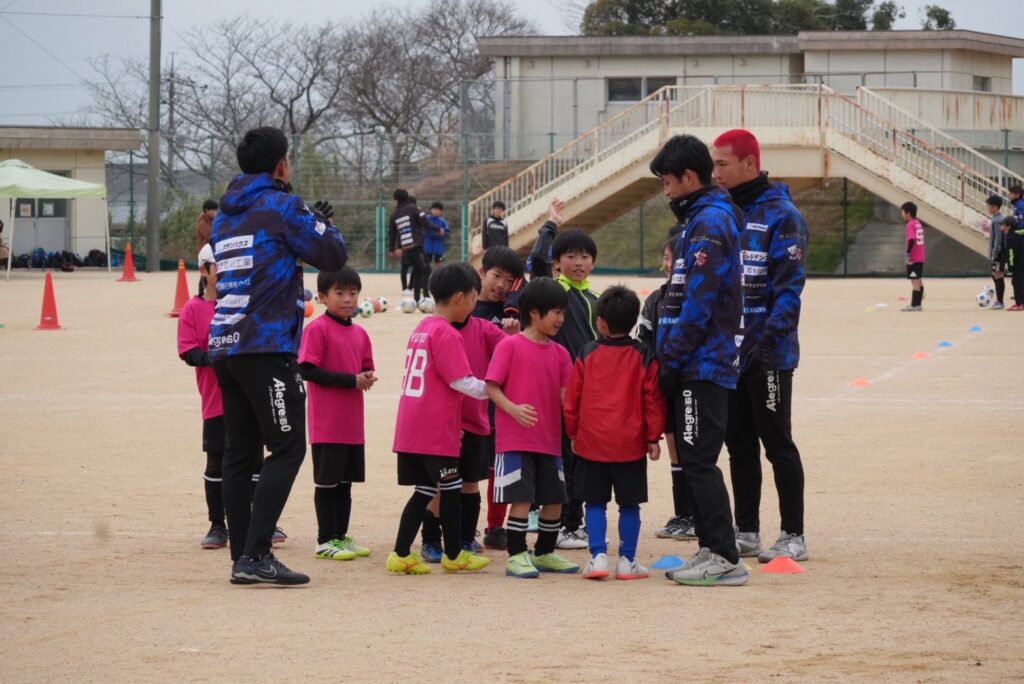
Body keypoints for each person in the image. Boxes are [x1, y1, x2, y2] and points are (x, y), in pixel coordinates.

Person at [210, 126, 347, 586]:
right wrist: (320, 220)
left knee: (239, 453)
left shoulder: (224, 215)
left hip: (226, 344)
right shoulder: (284, 205)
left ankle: (243, 558)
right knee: (288, 446)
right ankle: (256, 554)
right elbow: (333, 253)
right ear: (281, 164)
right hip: (265, 345)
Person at [650, 133, 749, 586]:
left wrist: (673, 359)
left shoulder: (711, 221)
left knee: (699, 460)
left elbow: (700, 300)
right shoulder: (701, 218)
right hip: (694, 360)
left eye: (668, 181)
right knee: (694, 459)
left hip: (702, 363)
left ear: (688, 177)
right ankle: (712, 548)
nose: (666, 190)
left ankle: (725, 556)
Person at [713, 128, 810, 564]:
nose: (715, 173)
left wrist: (765, 345)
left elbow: (790, 292)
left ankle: (793, 535)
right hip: (729, 354)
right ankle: (747, 530)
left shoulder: (783, 216)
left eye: (722, 164)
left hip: (769, 355)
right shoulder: (723, 213)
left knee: (777, 443)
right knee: (738, 445)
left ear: (750, 164)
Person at [388, 263, 492, 575]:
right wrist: (495, 388)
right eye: (473, 298)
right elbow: (462, 381)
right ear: (460, 297)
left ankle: (401, 553)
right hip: (434, 431)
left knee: (424, 490)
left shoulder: (422, 327)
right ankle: (455, 554)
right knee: (451, 488)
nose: (474, 305)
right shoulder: (447, 333)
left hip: (413, 428)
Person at [564, 285, 665, 580]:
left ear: (600, 322)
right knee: (629, 504)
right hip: (630, 444)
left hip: (592, 441)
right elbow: (652, 399)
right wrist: (653, 437)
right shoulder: (644, 355)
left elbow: (573, 399)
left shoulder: (587, 352)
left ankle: (598, 557)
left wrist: (573, 433)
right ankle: (627, 560)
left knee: (594, 502)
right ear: (633, 322)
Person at [419, 259, 517, 561]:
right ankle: (431, 539)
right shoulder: (436, 330)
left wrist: (514, 336)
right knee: (439, 484)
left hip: (474, 420)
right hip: (443, 424)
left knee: (470, 482)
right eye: (474, 298)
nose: (477, 303)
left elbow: (511, 350)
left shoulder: (484, 329)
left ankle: (464, 538)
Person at [486, 277, 580, 578]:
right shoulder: (509, 346)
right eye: (556, 312)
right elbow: (492, 387)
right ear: (535, 312)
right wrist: (513, 409)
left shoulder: (561, 354)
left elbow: (566, 398)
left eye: (563, 313)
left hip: (550, 441)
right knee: (522, 498)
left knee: (554, 499)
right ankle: (516, 555)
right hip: (515, 440)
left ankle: (544, 553)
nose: (561, 319)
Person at [298, 266, 377, 562]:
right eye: (340, 293)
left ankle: (341, 536)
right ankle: (324, 540)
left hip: (352, 424)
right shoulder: (317, 329)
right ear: (322, 297)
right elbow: (307, 369)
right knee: (327, 483)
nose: (347, 299)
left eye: (353, 293)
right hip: (327, 424)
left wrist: (367, 376)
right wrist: (350, 380)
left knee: (346, 484)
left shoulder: (360, 333)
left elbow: (365, 366)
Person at [639, 237, 695, 541]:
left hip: (692, 384)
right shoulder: (655, 300)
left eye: (674, 258)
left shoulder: (696, 297)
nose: (669, 264)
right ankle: (683, 514)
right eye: (666, 257)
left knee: (693, 449)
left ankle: (698, 514)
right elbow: (643, 342)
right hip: (665, 384)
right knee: (673, 448)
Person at [549, 227, 600, 550]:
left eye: (584, 256)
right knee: (564, 457)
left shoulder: (596, 299)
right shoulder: (554, 295)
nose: (578, 262)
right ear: (557, 262)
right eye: (570, 256)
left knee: (582, 458)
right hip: (559, 392)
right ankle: (563, 524)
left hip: (588, 394)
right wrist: (550, 226)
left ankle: (574, 521)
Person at [178, 244, 228, 550]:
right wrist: (214, 358)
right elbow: (188, 351)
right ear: (204, 271)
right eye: (219, 266)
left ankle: (261, 521)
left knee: (254, 461)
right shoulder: (193, 310)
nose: (226, 272)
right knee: (217, 462)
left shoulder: (244, 304)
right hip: (216, 400)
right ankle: (218, 525)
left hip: (249, 397)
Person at [389, 189, 431, 303]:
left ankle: (416, 298)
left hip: (404, 248)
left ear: (396, 200)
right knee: (425, 270)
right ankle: (425, 297)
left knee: (416, 270)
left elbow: (392, 233)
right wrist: (437, 229)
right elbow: (425, 223)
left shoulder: (395, 214)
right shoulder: (412, 209)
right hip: (415, 246)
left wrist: (392, 249)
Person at [900, 201, 925, 312]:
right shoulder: (918, 222)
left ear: (908, 213)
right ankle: (918, 305)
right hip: (920, 256)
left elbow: (911, 239)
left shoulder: (910, 225)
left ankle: (914, 305)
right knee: (918, 280)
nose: (902, 214)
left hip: (914, 258)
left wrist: (908, 254)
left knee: (914, 281)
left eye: (902, 212)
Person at [987, 195, 1007, 310]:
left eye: (989, 206)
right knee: (995, 275)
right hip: (998, 253)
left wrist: (994, 255)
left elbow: (998, 240)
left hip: (999, 253)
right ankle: (998, 300)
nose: (988, 208)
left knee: (998, 275)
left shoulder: (998, 221)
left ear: (995, 207)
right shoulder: (997, 219)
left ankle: (1000, 302)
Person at [194, 200, 218, 290]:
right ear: (207, 210)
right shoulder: (202, 223)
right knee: (205, 273)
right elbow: (210, 236)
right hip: (204, 253)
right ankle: (201, 293)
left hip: (211, 251)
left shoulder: (213, 220)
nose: (215, 212)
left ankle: (203, 292)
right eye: (213, 210)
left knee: (207, 273)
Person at [1005, 215, 1024, 311]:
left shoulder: (1011, 236)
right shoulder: (1021, 231)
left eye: (1004, 225)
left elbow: (1011, 252)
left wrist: (1010, 267)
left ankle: (1019, 304)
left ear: (1009, 226)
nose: (1002, 227)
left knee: (1016, 283)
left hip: (1018, 263)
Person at [424, 201, 448, 269]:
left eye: (438, 210)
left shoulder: (443, 221)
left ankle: (439, 274)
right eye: (434, 209)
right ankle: (427, 274)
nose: (436, 211)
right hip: (427, 246)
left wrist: (440, 235)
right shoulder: (426, 219)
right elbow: (422, 229)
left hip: (439, 247)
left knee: (439, 262)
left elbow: (447, 232)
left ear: (441, 211)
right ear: (431, 209)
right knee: (427, 263)